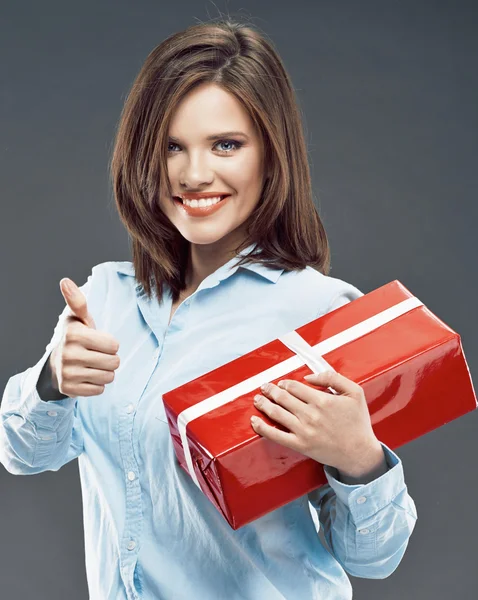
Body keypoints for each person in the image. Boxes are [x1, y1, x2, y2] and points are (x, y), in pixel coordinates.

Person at [0, 19, 417, 600]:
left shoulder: (316, 313)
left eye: (227, 145)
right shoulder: (106, 298)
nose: (195, 174)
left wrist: (360, 460)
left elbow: (374, 557)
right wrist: (52, 380)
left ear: (271, 156)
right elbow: (22, 454)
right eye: (173, 146)